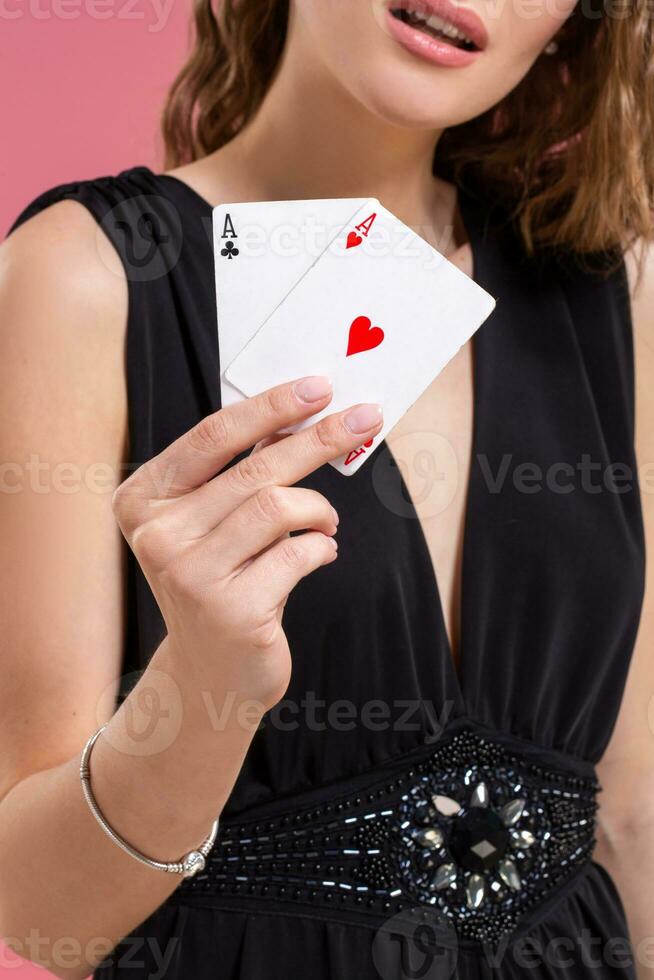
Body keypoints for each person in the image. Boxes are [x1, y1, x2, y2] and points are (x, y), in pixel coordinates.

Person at [1, 0, 653, 976]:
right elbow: (40, 907)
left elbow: (633, 808)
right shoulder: (83, 277)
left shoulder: (615, 288)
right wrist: (204, 683)